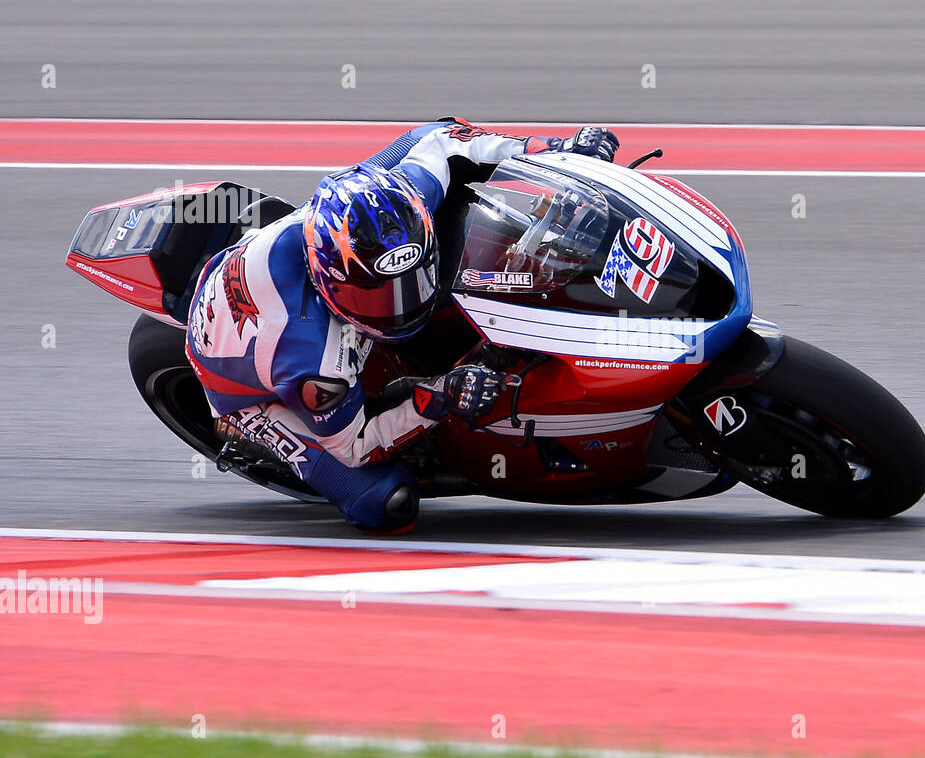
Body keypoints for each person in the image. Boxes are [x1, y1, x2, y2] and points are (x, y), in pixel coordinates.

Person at [184, 119, 620, 533]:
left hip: (279, 265)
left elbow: (442, 137)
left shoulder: (397, 201)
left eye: (411, 283)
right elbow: (355, 448)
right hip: (248, 388)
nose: (402, 305)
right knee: (386, 503)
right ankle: (257, 434)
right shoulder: (314, 363)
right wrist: (441, 397)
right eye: (374, 296)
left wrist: (557, 149)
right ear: (328, 284)